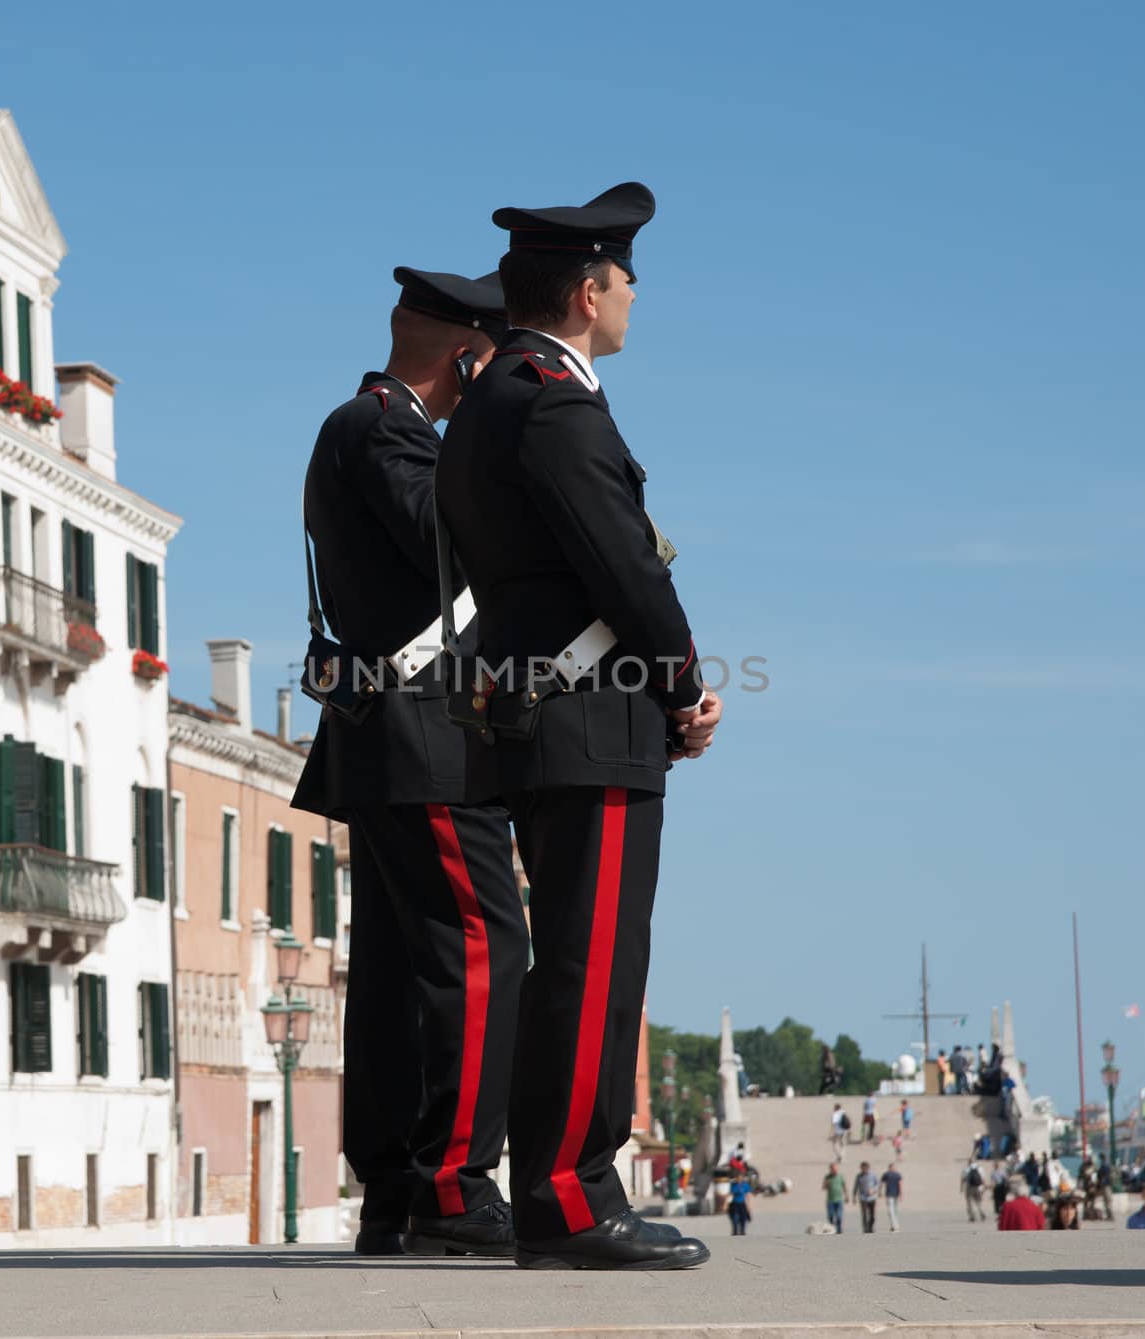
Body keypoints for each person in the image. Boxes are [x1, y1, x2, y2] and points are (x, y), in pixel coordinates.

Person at [435, 183, 719, 1272]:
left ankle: (571, 1190)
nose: (636, 297)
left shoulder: (494, 395)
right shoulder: (553, 400)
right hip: (589, 717)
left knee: (576, 958)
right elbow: (626, 569)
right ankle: (566, 1196)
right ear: (591, 288)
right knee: (591, 965)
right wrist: (683, 687)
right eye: (629, 279)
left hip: (545, 710)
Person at [293, 268, 527, 1258]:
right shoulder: (383, 427)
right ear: (467, 356)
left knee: (397, 971)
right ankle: (451, 1188)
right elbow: (448, 542)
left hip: (401, 733)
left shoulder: (376, 426)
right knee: (482, 947)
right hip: (422, 735)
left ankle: (397, 1188)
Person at [853, 1161, 880, 1233]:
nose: (864, 1169)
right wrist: (854, 1197)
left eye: (866, 1168)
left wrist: (873, 1190)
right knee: (864, 1214)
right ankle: (865, 1229)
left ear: (868, 1168)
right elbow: (856, 1186)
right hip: (863, 1198)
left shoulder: (873, 1175)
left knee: (872, 1216)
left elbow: (877, 1184)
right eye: (863, 1168)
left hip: (872, 1198)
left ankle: (870, 1226)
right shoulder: (859, 1176)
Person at [822, 1162, 847, 1234]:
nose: (834, 1170)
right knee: (831, 1217)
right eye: (832, 1169)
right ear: (830, 1169)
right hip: (830, 1200)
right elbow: (823, 1188)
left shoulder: (840, 1176)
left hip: (839, 1200)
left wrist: (846, 1196)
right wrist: (826, 1183)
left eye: (835, 1169)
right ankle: (832, 1230)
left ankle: (839, 1231)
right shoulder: (827, 1177)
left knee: (839, 1217)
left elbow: (844, 1186)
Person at [961, 1157, 988, 1222]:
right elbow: (983, 1179)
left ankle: (972, 1216)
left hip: (969, 1187)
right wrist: (984, 1187)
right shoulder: (980, 1168)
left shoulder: (966, 1169)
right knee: (978, 1202)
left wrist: (961, 1188)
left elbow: (963, 1179)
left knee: (969, 1202)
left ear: (969, 1162)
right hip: (978, 1187)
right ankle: (981, 1212)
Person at [727, 1171, 752, 1236]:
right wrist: (726, 1204)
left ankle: (742, 1231)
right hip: (735, 1204)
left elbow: (748, 1195)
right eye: (737, 1178)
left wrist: (748, 1206)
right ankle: (735, 1231)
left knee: (743, 1218)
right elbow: (730, 1194)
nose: (738, 1179)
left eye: (740, 1177)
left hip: (742, 1204)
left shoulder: (745, 1185)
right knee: (734, 1218)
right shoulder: (733, 1185)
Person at [882, 1163, 903, 1232]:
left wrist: (901, 1194)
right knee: (893, 1211)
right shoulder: (889, 1174)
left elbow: (900, 1185)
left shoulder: (895, 1175)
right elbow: (882, 1183)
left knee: (892, 1211)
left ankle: (894, 1225)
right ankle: (894, 1225)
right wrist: (901, 1194)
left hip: (893, 1195)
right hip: (890, 1195)